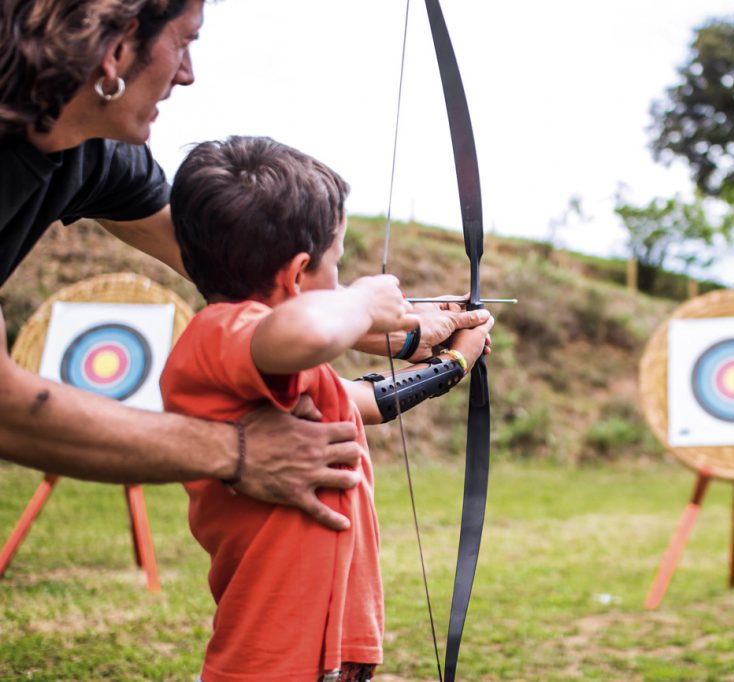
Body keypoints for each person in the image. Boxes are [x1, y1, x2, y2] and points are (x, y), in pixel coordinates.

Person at [0, 0, 489, 529]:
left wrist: (405, 332)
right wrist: (234, 450)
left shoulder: (92, 151)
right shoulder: (225, 338)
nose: (187, 74)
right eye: (184, 41)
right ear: (117, 48)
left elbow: (242, 264)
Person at [160, 135, 493, 681]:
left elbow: (366, 402)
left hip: (332, 648)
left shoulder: (272, 363)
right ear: (297, 276)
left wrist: (451, 360)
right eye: (336, 265)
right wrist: (363, 303)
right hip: (272, 659)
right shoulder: (221, 333)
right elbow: (310, 329)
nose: (342, 284)